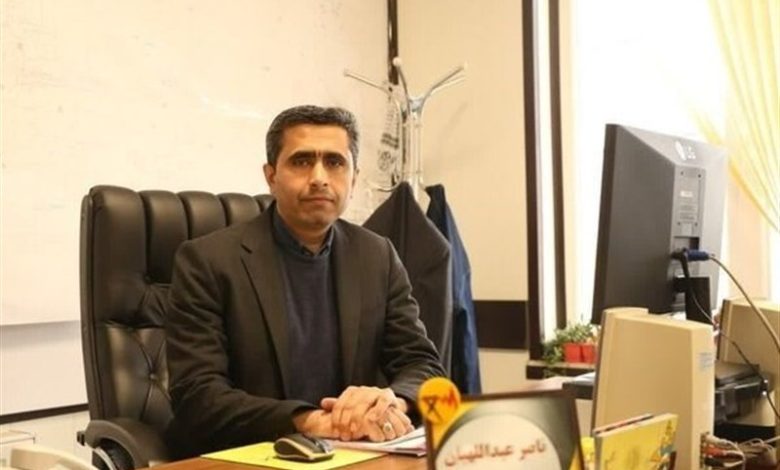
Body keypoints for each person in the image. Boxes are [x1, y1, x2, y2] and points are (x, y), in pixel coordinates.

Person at [164, 105, 445, 457]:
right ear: (271, 176)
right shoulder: (207, 261)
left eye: (335, 162)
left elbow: (423, 365)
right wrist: (310, 421)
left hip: (348, 456)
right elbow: (197, 395)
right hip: (249, 457)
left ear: (354, 179)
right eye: (301, 161)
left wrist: (392, 402)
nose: (319, 177)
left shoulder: (377, 256)